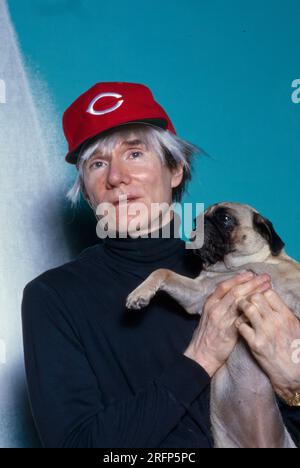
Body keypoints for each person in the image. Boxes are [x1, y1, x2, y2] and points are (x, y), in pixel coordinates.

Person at [21, 82, 300, 448]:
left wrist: (295, 389)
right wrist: (199, 358)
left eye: (134, 154)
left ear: (175, 171)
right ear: (87, 191)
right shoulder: (54, 297)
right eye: (98, 163)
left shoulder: (246, 273)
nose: (116, 177)